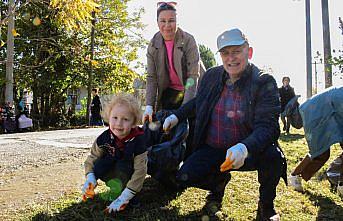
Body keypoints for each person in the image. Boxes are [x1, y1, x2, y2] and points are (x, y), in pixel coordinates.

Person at [163, 28, 286, 220]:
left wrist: (244, 147)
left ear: (249, 52)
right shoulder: (212, 75)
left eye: (237, 51)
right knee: (185, 175)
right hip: (215, 148)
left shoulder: (263, 81)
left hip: (248, 150)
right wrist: (177, 116)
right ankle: (218, 184)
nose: (231, 58)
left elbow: (269, 127)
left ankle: (266, 206)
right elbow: (199, 101)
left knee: (274, 157)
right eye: (225, 53)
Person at [82, 93, 148, 213]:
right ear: (108, 117)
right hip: (113, 170)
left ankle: (129, 195)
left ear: (134, 122)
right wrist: (90, 177)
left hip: (129, 173)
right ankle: (115, 188)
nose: (118, 123)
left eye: (125, 119)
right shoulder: (104, 137)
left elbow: (140, 171)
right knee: (100, 164)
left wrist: (126, 195)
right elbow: (92, 157)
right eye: (115, 118)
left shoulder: (139, 141)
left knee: (122, 165)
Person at [142, 1, 203, 123]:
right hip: (170, 92)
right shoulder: (153, 44)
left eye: (171, 20)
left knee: (190, 127)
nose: (167, 25)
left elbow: (193, 76)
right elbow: (151, 77)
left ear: (177, 21)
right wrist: (149, 106)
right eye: (162, 21)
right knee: (162, 126)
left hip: (193, 90)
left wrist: (183, 112)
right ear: (157, 22)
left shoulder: (189, 40)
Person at [289, 86, 343, 195]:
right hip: (315, 114)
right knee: (320, 153)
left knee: (321, 153)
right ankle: (294, 176)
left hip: (328, 112)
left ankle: (341, 185)